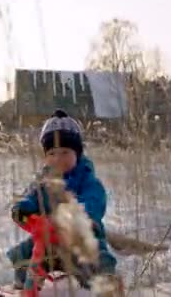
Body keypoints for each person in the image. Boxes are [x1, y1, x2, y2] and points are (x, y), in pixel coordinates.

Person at [7, 109, 118, 290]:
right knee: (23, 253)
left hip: (80, 238)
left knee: (98, 255)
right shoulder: (43, 181)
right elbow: (31, 196)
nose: (58, 158)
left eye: (65, 152)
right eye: (52, 153)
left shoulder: (87, 179)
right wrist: (23, 209)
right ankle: (21, 286)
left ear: (78, 153)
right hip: (47, 238)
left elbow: (94, 200)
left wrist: (77, 215)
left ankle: (106, 283)